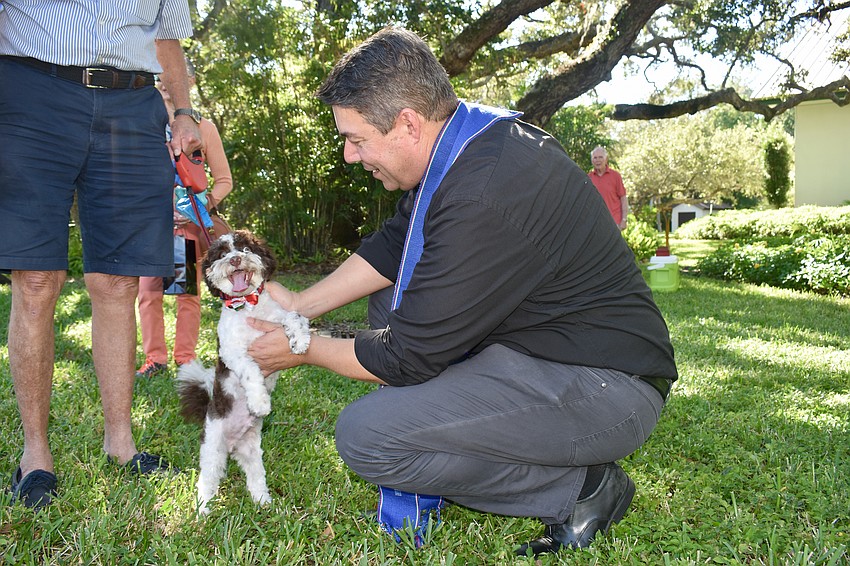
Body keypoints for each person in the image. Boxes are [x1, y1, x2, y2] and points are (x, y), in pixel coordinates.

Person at [247, 27, 677, 556]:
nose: (349, 156)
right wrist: (298, 306)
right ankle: (444, 443)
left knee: (370, 436)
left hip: (607, 388)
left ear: (407, 123)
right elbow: (395, 246)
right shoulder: (469, 147)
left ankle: (581, 490)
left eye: (356, 139)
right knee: (393, 299)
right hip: (545, 354)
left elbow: (406, 356)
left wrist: (300, 347)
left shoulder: (483, 190)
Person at [0, 0, 202, 510]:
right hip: (30, 93)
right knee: (37, 279)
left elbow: (167, 37)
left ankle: (120, 443)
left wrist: (183, 113)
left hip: (132, 104)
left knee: (118, 282)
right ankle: (35, 455)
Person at [136, 60, 233, 378]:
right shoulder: (142, 123)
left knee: (185, 293)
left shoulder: (203, 128)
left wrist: (195, 208)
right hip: (151, 225)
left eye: (172, 73)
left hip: (185, 228)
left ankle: (185, 357)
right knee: (148, 292)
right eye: (159, 74)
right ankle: (155, 359)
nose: (164, 80)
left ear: (188, 80)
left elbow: (223, 181)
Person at [588, 146, 629, 231]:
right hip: (596, 223)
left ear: (606, 159)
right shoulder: (588, 178)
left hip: (614, 222)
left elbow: (623, 198)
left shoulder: (615, 176)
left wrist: (624, 220)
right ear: (592, 161)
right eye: (595, 158)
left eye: (600, 157)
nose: (598, 160)